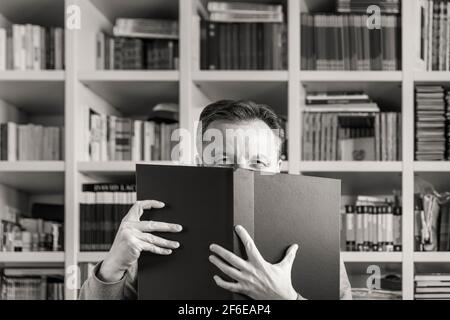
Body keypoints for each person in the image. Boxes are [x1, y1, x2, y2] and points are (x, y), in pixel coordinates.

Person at [79, 100, 352, 300]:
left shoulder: (317, 229)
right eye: (223, 161)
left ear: (279, 167)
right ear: (200, 166)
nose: (241, 173)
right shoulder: (156, 227)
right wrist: (113, 267)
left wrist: (284, 297)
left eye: (258, 161)